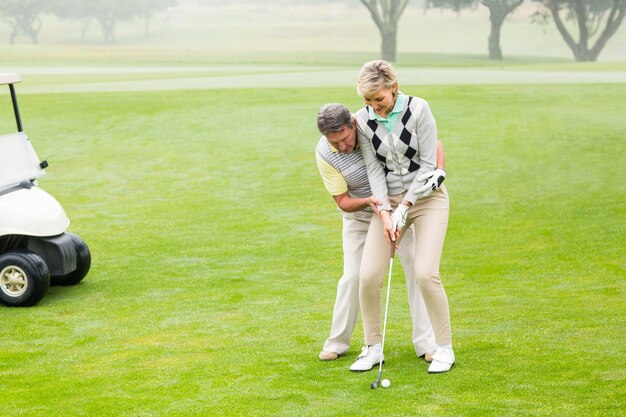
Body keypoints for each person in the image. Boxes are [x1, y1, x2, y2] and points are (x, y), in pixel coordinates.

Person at [315, 103, 445, 370]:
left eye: (344, 139)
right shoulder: (325, 153)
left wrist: (437, 171)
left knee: (416, 272)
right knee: (355, 276)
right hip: (360, 215)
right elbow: (342, 201)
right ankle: (338, 342)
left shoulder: (371, 125)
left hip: (399, 206)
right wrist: (373, 203)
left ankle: (427, 344)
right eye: (334, 142)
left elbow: (432, 146)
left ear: (353, 124)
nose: (342, 147)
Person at [352, 60, 455, 374]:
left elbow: (427, 164)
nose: (375, 108)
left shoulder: (419, 109)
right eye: (368, 102)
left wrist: (404, 207)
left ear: (392, 88)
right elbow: (373, 169)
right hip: (390, 204)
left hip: (427, 200)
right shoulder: (362, 120)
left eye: (379, 100)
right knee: (368, 275)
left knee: (425, 273)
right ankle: (372, 348)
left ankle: (444, 348)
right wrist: (384, 211)